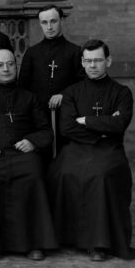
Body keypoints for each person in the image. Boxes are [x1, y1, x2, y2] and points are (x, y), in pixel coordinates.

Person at [0, 49, 57, 260]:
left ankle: (34, 243)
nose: (6, 69)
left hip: (22, 154)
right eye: (0, 65)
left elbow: (45, 130)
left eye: (10, 64)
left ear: (16, 67)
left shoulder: (29, 97)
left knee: (33, 173)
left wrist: (32, 142)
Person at [48, 39, 133, 261]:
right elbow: (67, 128)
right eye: (88, 61)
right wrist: (103, 126)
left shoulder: (122, 92)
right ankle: (68, 237)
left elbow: (119, 125)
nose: (92, 65)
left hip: (109, 149)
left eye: (97, 60)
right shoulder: (72, 92)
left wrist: (85, 119)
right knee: (62, 172)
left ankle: (99, 243)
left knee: (101, 175)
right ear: (82, 63)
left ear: (108, 61)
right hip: (76, 148)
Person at [18, 4, 82, 157]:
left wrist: (64, 95)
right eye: (44, 22)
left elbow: (83, 84)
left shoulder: (75, 52)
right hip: (38, 117)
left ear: (61, 20)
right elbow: (22, 88)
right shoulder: (32, 53)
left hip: (67, 116)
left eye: (53, 21)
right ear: (40, 24)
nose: (49, 26)